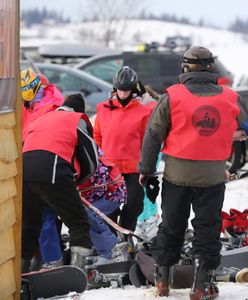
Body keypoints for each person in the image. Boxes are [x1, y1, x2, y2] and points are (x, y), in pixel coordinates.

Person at [138, 46, 248, 299]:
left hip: (177, 174)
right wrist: (230, 133)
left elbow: (153, 136)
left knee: (171, 226)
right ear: (210, 67)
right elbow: (246, 125)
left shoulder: (172, 96)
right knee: (207, 228)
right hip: (212, 176)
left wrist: (145, 170)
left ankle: (163, 281)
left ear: (184, 67)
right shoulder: (230, 97)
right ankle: (202, 285)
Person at [21, 93, 98, 273]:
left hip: (24, 171)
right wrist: (78, 181)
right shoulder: (76, 119)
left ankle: (20, 269)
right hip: (53, 168)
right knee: (78, 221)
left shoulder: (43, 118)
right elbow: (90, 158)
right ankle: (78, 271)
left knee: (31, 225)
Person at [93, 66, 154, 232]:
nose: (122, 93)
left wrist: (147, 166)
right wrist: (99, 162)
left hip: (134, 167)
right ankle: (112, 240)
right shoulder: (103, 109)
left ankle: (127, 235)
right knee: (110, 207)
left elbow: (146, 141)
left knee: (134, 204)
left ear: (133, 89)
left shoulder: (143, 111)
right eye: (120, 90)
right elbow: (97, 136)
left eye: (126, 90)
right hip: (110, 168)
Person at [79, 148, 128, 265]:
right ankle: (98, 248)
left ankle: (111, 249)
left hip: (113, 194)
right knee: (83, 216)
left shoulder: (92, 160)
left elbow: (100, 187)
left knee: (90, 214)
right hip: (98, 194)